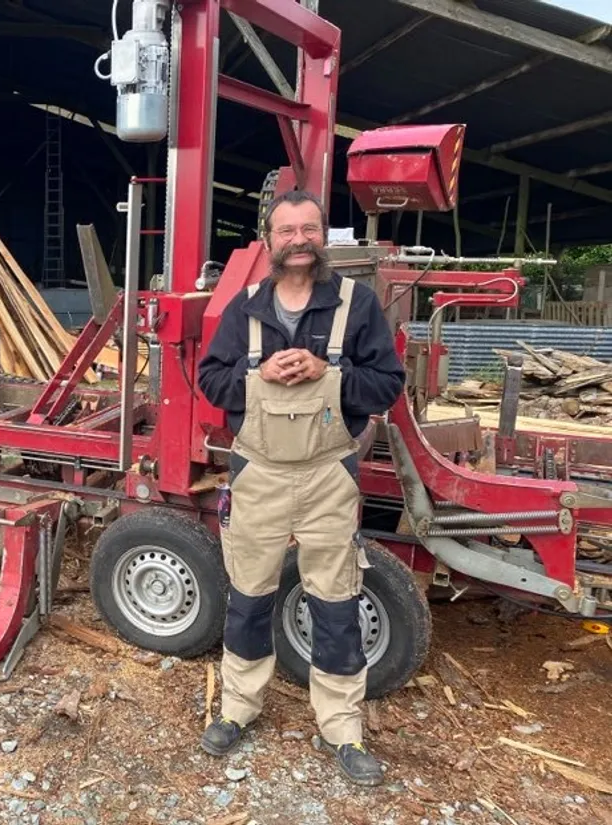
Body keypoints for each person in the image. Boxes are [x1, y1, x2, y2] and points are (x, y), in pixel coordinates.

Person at [196, 189, 405, 786]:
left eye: (308, 229)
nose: (297, 241)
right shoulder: (245, 307)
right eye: (285, 231)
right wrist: (254, 372)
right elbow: (210, 380)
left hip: (326, 476)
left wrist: (329, 375)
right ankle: (238, 708)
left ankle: (341, 727)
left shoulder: (355, 305)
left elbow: (387, 384)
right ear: (269, 240)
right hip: (258, 472)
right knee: (249, 598)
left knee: (336, 600)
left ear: (323, 237)